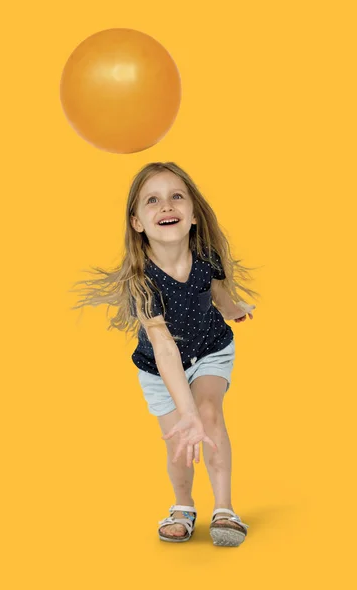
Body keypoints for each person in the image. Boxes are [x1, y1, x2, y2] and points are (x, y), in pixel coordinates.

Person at [70, 162, 260, 547]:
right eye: (152, 200)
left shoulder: (206, 258)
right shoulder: (141, 282)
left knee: (208, 415)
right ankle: (183, 505)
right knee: (180, 437)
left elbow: (217, 293)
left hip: (210, 351)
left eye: (176, 197)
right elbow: (164, 347)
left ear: (191, 214)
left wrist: (234, 309)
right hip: (160, 368)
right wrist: (183, 410)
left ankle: (224, 508)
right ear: (137, 222)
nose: (166, 206)